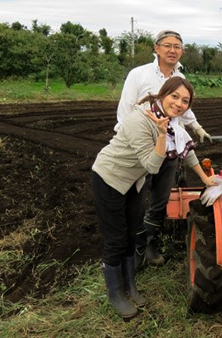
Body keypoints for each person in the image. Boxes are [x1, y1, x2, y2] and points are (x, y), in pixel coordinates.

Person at [92, 77, 215, 318]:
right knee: (116, 239)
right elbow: (151, 166)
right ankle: (115, 295)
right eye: (175, 96)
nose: (179, 103)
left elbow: (185, 150)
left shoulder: (171, 122)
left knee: (131, 234)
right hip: (110, 178)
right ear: (163, 94)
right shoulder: (142, 120)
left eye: (185, 101)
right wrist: (160, 135)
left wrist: (205, 179)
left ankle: (130, 286)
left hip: (133, 183)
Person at [116, 30, 212, 268]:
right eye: (167, 45)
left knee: (159, 201)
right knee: (135, 199)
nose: (172, 50)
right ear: (156, 48)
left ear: (182, 51)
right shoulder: (139, 75)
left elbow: (184, 108)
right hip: (142, 148)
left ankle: (149, 244)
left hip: (170, 149)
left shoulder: (180, 75)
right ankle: (131, 250)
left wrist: (196, 127)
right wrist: (127, 141)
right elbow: (126, 110)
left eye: (177, 46)